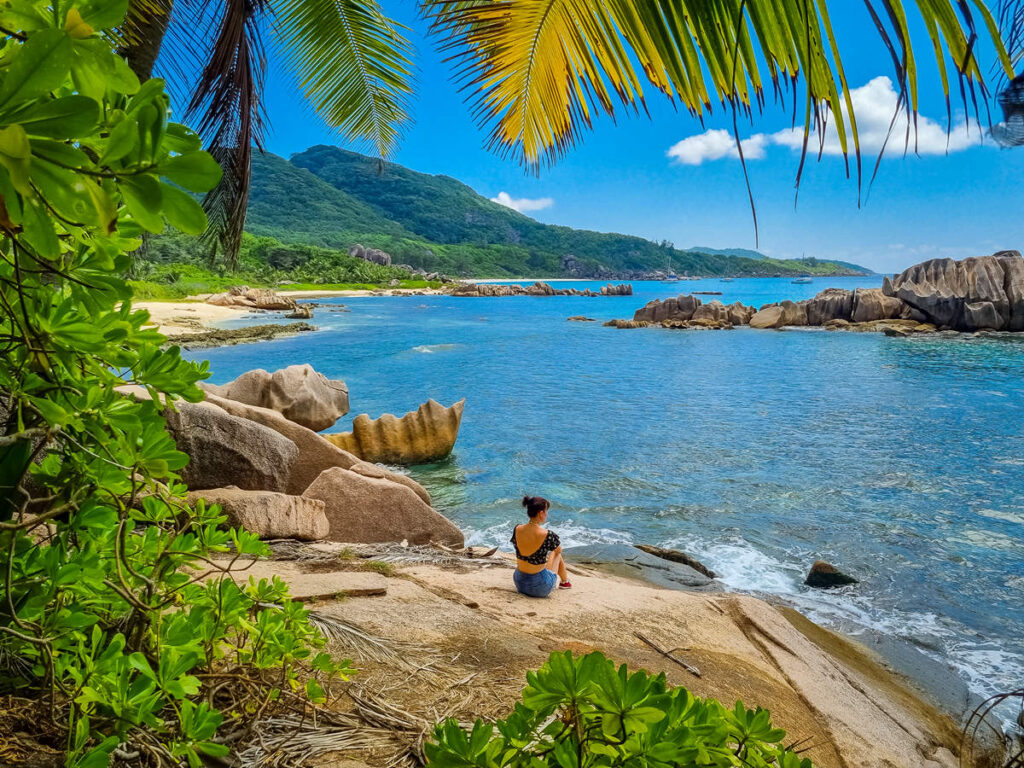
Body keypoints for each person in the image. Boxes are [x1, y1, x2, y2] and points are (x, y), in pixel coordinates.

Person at [511, 495, 571, 597]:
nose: (547, 514)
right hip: (539, 588)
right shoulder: (547, 534)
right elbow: (558, 551)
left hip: (519, 582)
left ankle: (565, 582)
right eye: (546, 511)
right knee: (556, 552)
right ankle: (565, 582)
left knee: (546, 555)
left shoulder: (517, 528)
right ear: (541, 513)